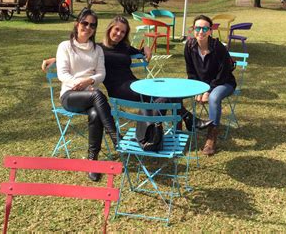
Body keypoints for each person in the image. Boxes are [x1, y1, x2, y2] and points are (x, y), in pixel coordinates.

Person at [43, 16, 211, 130]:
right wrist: (53, 59)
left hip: (135, 84)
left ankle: (178, 123)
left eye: (123, 32)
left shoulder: (124, 47)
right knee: (162, 96)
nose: (119, 34)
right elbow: (77, 52)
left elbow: (138, 50)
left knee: (167, 90)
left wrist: (145, 48)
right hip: (119, 90)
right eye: (116, 30)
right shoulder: (98, 49)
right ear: (109, 29)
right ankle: (171, 124)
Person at [54, 8, 118, 182]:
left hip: (90, 94)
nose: (88, 27)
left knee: (96, 113)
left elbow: (101, 74)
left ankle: (92, 162)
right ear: (77, 23)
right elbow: (62, 74)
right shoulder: (65, 46)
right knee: (98, 95)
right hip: (70, 95)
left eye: (92, 25)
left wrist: (89, 81)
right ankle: (116, 138)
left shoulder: (97, 50)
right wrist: (79, 84)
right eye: (85, 23)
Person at [184, 15, 237, 156]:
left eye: (205, 28)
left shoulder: (218, 47)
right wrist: (197, 89)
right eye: (197, 28)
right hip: (202, 84)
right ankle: (181, 127)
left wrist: (208, 90)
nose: (201, 31)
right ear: (193, 29)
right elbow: (191, 72)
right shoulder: (189, 46)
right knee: (177, 92)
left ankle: (211, 138)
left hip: (224, 82)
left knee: (213, 98)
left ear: (210, 31)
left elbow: (223, 73)